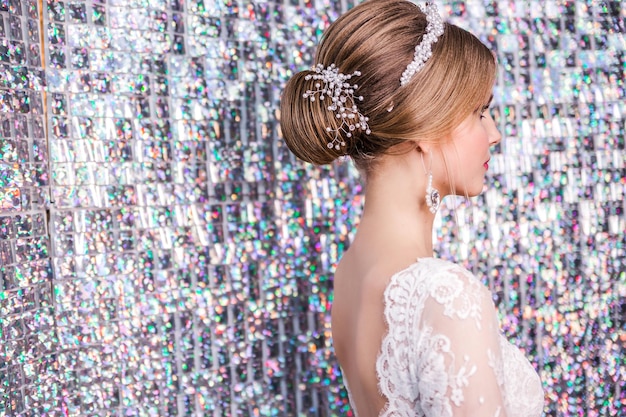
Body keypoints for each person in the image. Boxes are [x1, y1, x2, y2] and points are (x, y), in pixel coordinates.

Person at [280, 1, 545, 416]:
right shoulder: (446, 295)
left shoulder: (351, 271)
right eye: (479, 112)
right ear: (427, 125)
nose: (493, 134)